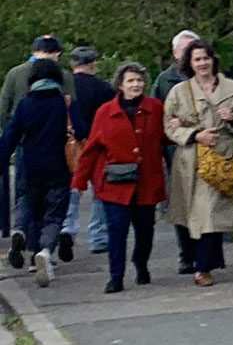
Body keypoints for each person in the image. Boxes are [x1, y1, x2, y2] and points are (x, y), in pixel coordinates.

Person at [163, 39, 233, 288]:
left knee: (209, 212)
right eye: (197, 59)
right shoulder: (179, 92)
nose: (202, 63)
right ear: (189, 63)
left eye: (206, 58)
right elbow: (168, 126)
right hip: (189, 161)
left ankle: (202, 268)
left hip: (219, 159)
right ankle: (200, 261)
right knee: (191, 215)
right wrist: (194, 135)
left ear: (213, 59)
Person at [71, 63, 166, 294]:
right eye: (131, 81)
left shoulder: (155, 108)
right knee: (116, 231)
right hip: (115, 184)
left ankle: (141, 264)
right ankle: (116, 276)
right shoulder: (105, 112)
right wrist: (79, 182)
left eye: (139, 80)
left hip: (146, 182)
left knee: (145, 230)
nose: (136, 85)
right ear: (120, 85)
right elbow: (91, 149)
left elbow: (168, 136)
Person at [0, 58, 78, 286]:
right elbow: (82, 129)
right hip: (59, 168)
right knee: (54, 213)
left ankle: (27, 240)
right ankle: (45, 251)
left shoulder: (25, 103)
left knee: (34, 211)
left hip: (31, 166)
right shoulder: (64, 103)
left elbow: (11, 136)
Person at [155, 31, 201, 274]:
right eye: (183, 50)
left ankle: (207, 257)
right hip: (176, 152)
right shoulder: (164, 81)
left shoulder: (208, 77)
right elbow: (157, 117)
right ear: (175, 53)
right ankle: (186, 256)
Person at [65, 45, 115, 260]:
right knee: (99, 192)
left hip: (68, 144)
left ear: (71, 64)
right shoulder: (104, 89)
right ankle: (99, 237)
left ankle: (67, 229)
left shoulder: (64, 88)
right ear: (94, 62)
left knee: (71, 190)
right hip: (97, 144)